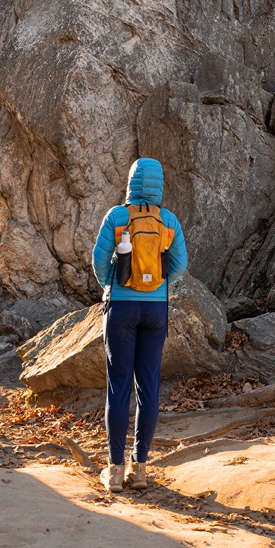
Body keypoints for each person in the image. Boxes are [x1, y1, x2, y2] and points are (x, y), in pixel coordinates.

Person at [92, 157, 187, 493]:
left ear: (131, 182)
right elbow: (180, 264)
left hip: (121, 307)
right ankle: (141, 469)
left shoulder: (118, 216)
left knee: (119, 387)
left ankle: (115, 471)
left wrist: (111, 284)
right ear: (159, 185)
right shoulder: (169, 221)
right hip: (155, 311)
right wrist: (159, 285)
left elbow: (99, 260)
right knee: (148, 388)